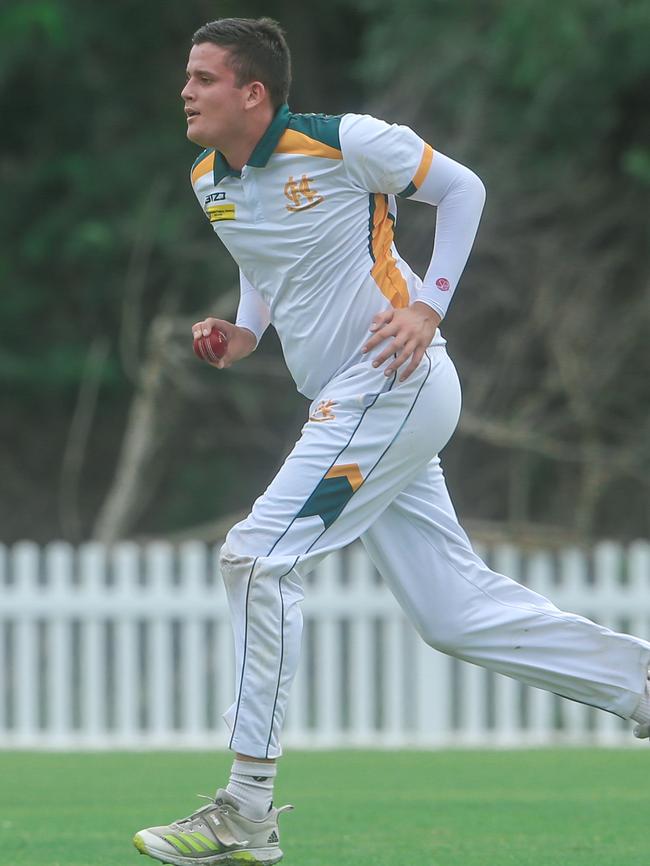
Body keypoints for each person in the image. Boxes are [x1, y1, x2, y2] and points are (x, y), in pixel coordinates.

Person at [133, 16, 650, 866]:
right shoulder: (208, 180)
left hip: (394, 384)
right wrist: (245, 335)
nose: (185, 91)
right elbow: (266, 264)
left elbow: (465, 190)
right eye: (187, 77)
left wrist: (427, 305)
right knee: (452, 613)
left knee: (256, 559)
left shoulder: (348, 142)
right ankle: (636, 683)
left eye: (202, 77)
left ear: (252, 92)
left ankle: (246, 809)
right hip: (356, 400)